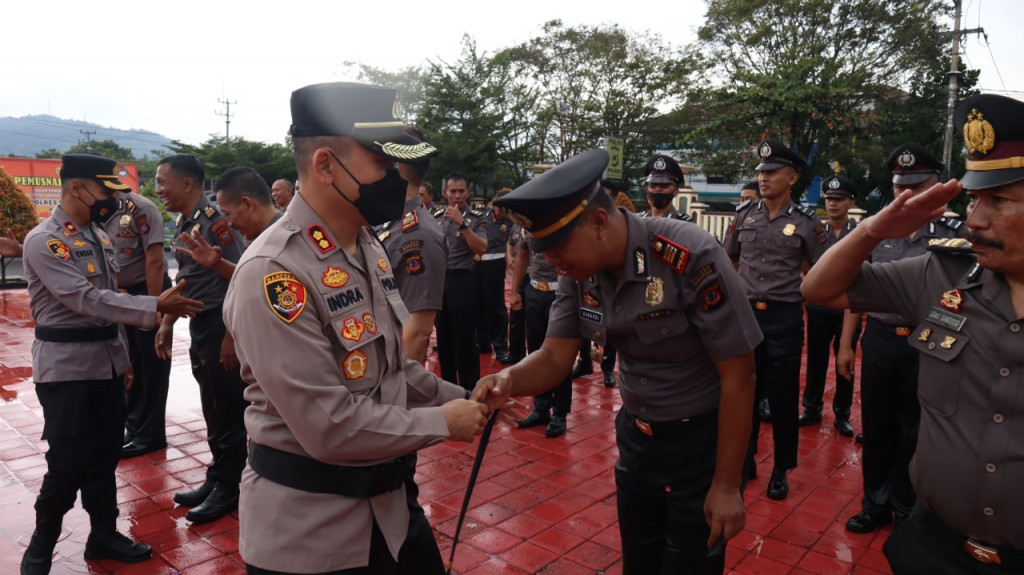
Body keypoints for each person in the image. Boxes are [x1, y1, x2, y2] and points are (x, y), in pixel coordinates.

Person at [222, 81, 487, 575]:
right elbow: (330, 426)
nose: (397, 181)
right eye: (384, 165)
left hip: (388, 511)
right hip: (312, 535)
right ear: (326, 165)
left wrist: (466, 396)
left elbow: (390, 370)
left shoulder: (364, 245)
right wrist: (443, 423)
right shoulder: (273, 273)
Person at [475, 148, 760, 574]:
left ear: (600, 223)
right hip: (636, 441)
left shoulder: (687, 255)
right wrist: (508, 379)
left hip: (700, 446)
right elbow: (555, 356)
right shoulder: (577, 273)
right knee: (639, 562)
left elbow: (739, 375)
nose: (552, 263)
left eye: (558, 251)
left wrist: (726, 485)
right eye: (545, 253)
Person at [801, 93, 1024, 574]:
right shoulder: (943, 274)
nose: (975, 219)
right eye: (975, 198)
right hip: (933, 547)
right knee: (882, 430)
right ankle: (881, 503)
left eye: (1000, 199)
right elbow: (818, 288)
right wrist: (873, 231)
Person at [20, 153, 202, 574]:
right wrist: (155, 303)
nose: (114, 201)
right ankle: (41, 544)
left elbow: (107, 305)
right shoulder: (45, 240)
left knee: (105, 455)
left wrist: (123, 361)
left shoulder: (98, 235)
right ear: (78, 188)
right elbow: (85, 300)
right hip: (66, 371)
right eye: (106, 191)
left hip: (106, 365)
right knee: (67, 463)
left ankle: (103, 534)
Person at [836, 143, 963, 534]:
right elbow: (853, 292)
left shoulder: (954, 236)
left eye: (917, 185)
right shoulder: (875, 233)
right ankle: (874, 502)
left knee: (917, 428)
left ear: (936, 185)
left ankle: (907, 505)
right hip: (881, 339)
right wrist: (845, 344)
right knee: (876, 425)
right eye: (898, 187)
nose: (907, 195)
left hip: (930, 346)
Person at [722, 138, 828, 500]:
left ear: (792, 177)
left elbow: (821, 269)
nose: (764, 178)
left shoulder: (807, 224)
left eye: (772, 172)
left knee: (782, 398)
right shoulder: (743, 217)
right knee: (743, 392)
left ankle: (781, 467)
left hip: (784, 318)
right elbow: (729, 261)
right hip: (747, 315)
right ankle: (744, 459)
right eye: (761, 172)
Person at [154, 153, 249, 525]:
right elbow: (189, 279)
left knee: (227, 409)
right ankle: (217, 477)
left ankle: (231, 487)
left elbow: (242, 277)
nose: (159, 188)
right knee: (212, 406)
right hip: (200, 326)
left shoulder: (217, 223)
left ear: (188, 183)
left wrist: (231, 335)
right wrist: (166, 324)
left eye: (163, 181)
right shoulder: (186, 220)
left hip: (220, 326)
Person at [104, 186, 173, 458]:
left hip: (149, 290)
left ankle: (151, 435)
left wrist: (154, 306)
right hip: (121, 294)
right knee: (129, 362)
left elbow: (155, 262)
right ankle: (133, 428)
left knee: (151, 365)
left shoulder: (140, 209)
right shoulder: (99, 210)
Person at [375, 126, 448, 363]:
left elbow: (417, 334)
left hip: (389, 374)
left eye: (378, 162)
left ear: (394, 167)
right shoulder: (386, 221)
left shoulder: (419, 235)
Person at [799, 174, 861, 437]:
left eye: (839, 199)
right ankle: (811, 409)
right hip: (820, 307)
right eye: (829, 199)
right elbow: (806, 263)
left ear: (850, 202)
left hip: (848, 308)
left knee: (845, 362)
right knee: (815, 360)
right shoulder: (817, 232)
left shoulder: (859, 233)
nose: (833, 204)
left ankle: (842, 414)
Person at [176, 166, 284, 280]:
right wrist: (217, 264)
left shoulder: (283, 241)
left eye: (227, 214)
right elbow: (253, 280)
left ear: (247, 204)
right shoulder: (264, 236)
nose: (229, 224)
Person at [434, 172, 487, 390]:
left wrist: (462, 224)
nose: (457, 196)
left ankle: (470, 390)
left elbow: (481, 249)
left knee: (465, 340)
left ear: (468, 193)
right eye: (452, 191)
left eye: (461, 191)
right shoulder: (435, 218)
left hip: (462, 281)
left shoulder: (476, 219)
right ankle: (448, 390)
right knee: (443, 341)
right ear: (445, 194)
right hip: (439, 283)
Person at [473, 189, 513, 362]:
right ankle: (482, 342)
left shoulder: (512, 221)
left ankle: (501, 346)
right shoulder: (482, 215)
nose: (500, 212)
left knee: (495, 305)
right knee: (478, 303)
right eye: (498, 208)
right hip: (477, 263)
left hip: (496, 262)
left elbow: (512, 242)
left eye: (504, 209)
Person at [638, 154, 693, 221]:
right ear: (647, 190)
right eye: (653, 185)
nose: (657, 189)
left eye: (664, 186)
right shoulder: (636, 220)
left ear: (675, 191)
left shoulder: (684, 223)